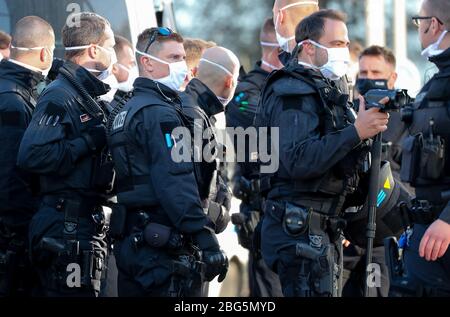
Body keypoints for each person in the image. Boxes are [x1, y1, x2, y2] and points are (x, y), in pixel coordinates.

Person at [255, 9, 390, 297]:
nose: (344, 51)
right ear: (308, 47)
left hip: (322, 229)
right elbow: (298, 159)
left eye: (345, 43)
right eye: (337, 44)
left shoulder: (325, 91)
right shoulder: (292, 90)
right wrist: (356, 132)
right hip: (298, 232)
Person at [107, 27, 228, 297]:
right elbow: (175, 181)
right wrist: (205, 237)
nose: (182, 65)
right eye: (174, 58)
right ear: (147, 62)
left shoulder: (125, 109)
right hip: (163, 253)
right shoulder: (161, 114)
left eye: (183, 57)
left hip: (135, 245)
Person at [17, 12, 116, 297]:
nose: (114, 53)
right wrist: (88, 141)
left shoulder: (84, 93)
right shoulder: (60, 95)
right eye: (110, 45)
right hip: (66, 227)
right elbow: (32, 155)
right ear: (94, 50)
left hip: (83, 225)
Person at [342, 45, 411, 297]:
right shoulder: (346, 115)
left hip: (387, 234)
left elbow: (411, 179)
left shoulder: (407, 120)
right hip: (348, 235)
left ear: (392, 78)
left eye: (376, 72)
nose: (369, 78)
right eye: (364, 72)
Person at [226, 18, 284, 298]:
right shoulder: (247, 94)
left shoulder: (287, 86)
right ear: (278, 48)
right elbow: (266, 150)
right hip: (264, 213)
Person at [0, 16, 55, 297]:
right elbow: (11, 172)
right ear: (45, 53)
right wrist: (24, 231)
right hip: (11, 232)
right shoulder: (14, 98)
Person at [401, 0, 450, 296]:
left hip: (441, 231)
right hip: (428, 229)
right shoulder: (437, 80)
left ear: (434, 25)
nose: (418, 29)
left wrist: (447, 220)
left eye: (419, 21)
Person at [102, 35, 138, 105]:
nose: (134, 68)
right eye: (131, 63)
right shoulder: (107, 98)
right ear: (114, 67)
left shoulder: (118, 96)